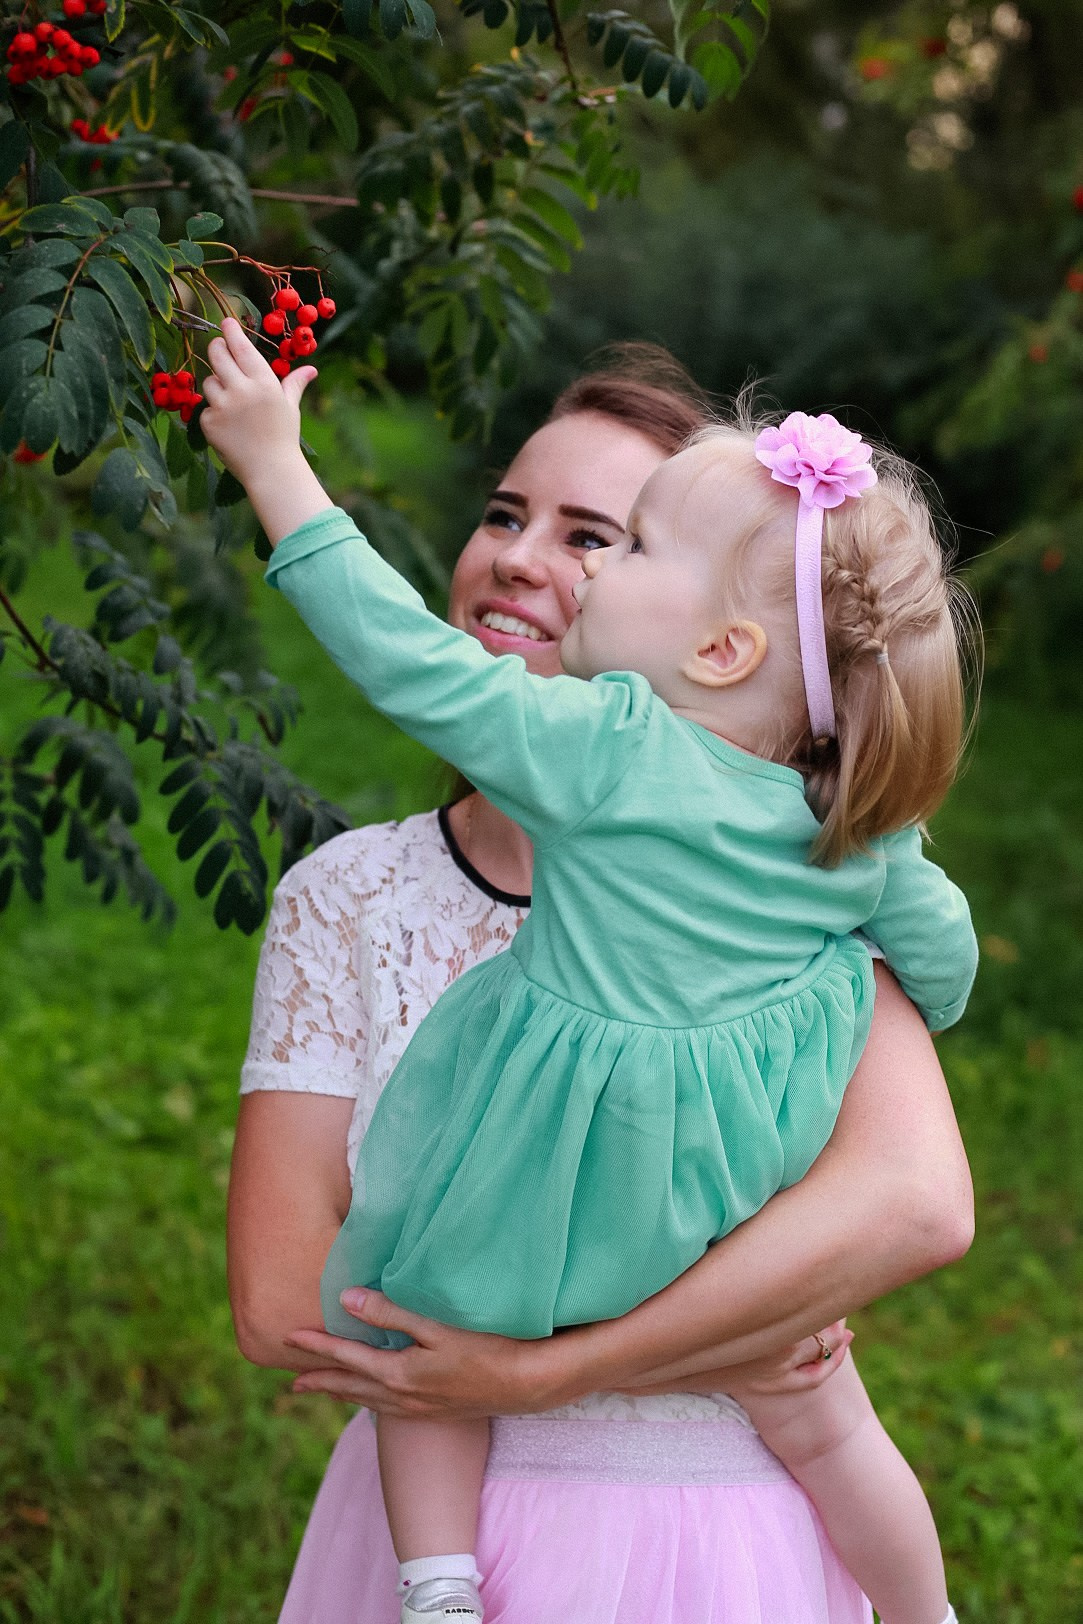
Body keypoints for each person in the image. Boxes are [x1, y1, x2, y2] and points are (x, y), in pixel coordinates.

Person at [221, 334, 975, 1624]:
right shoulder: (840, 842)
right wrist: (890, 977)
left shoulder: (613, 749)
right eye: (505, 513)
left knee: (419, 1284)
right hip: (715, 1264)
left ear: (724, 648)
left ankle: (438, 1586)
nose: (550, 566)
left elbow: (405, 658)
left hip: (691, 1500)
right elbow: (944, 954)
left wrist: (276, 470)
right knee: (834, 1423)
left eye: (613, 541)